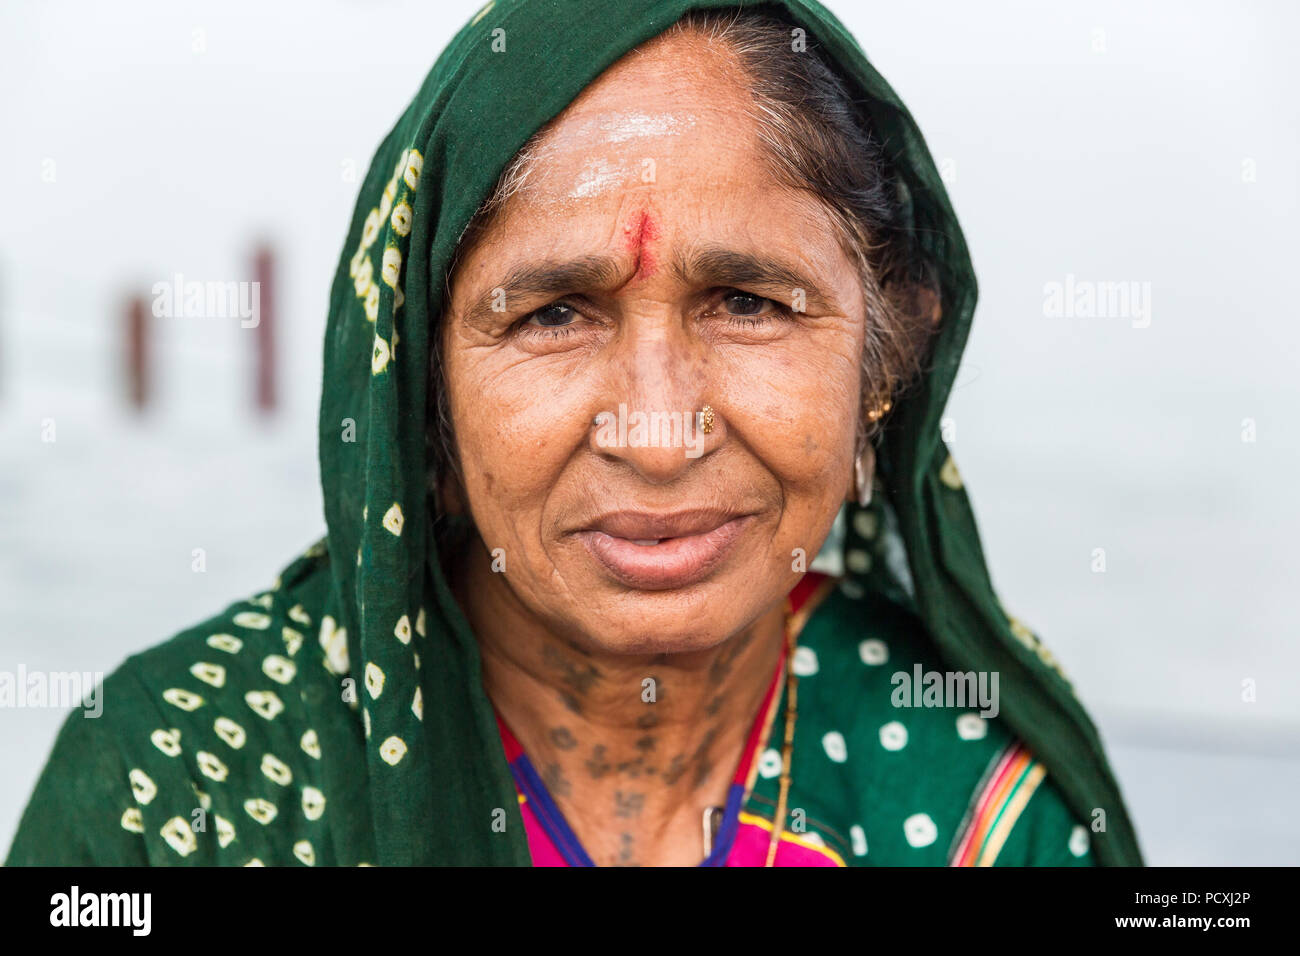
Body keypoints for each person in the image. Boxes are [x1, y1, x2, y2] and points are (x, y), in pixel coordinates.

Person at [6, 0, 1142, 867]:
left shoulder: (980, 800)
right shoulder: (168, 796)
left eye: (749, 302)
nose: (656, 435)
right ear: (424, 395)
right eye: (553, 313)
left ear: (886, 360)